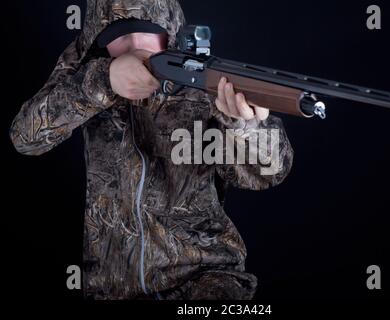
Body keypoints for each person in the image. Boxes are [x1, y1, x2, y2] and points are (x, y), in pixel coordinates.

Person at [10, 0, 294, 300]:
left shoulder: (205, 83)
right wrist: (102, 82)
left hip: (207, 280)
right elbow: (25, 138)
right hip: (113, 285)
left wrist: (245, 127)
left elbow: (269, 174)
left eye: (147, 33)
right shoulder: (88, 71)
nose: (135, 46)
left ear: (170, 34)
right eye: (118, 35)